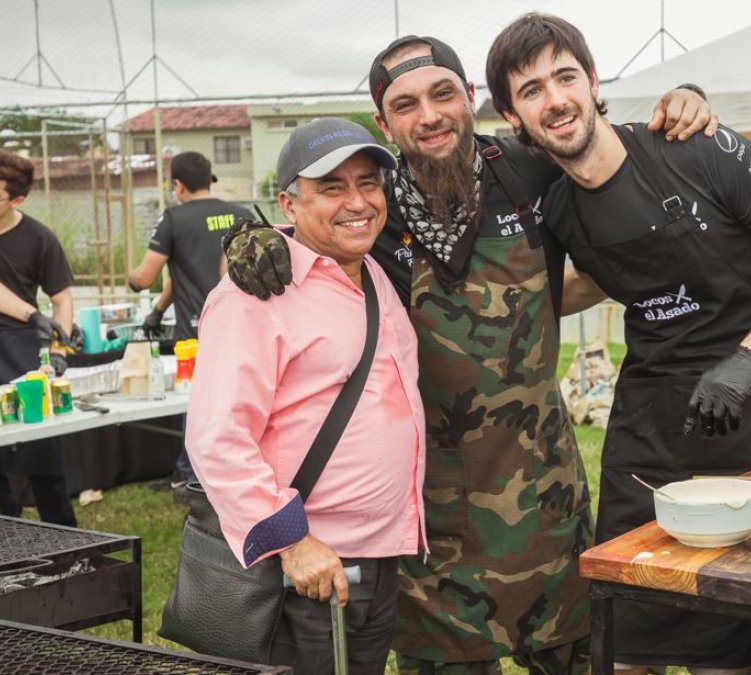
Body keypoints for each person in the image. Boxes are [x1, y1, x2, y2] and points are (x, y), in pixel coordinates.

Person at [223, 37, 715, 675]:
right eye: (406, 104)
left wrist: (685, 105)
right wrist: (249, 240)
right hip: (431, 517)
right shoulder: (371, 203)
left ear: (470, 99)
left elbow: (614, 150)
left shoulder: (529, 168)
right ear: (384, 122)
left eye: (442, 94)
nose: (428, 115)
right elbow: (307, 229)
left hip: (545, 494)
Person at [485, 13, 751, 673]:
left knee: (731, 651)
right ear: (514, 117)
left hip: (748, 415)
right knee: (626, 645)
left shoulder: (695, 147)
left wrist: (749, 356)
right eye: (531, 90)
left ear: (594, 81)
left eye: (565, 76)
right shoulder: (556, 206)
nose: (555, 98)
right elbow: (591, 276)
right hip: (647, 438)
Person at [184, 119, 425, 675]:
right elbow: (217, 438)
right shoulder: (256, 292)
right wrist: (292, 544)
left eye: (368, 183)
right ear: (288, 203)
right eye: (332, 188)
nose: (357, 201)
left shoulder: (373, 272)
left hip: (378, 557)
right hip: (306, 566)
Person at [0, 149, 77, 527]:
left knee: (41, 452)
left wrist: (58, 349)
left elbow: (62, 300)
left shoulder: (40, 239)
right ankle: (2, 530)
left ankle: (64, 534)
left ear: (18, 199)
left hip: (18, 351)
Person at [128, 151, 251, 490]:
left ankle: (193, 478)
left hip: (198, 331)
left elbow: (147, 275)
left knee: (198, 403)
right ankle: (198, 472)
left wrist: (133, 279)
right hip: (244, 326)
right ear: (210, 180)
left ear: (177, 185)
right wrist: (158, 309)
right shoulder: (241, 214)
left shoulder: (173, 218)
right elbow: (178, 275)